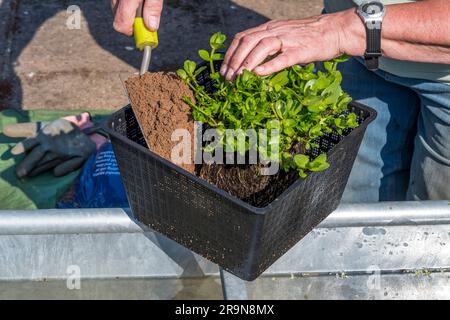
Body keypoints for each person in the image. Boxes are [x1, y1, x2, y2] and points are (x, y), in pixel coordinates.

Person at [112, 0, 450, 202]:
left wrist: (345, 30)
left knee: (429, 232)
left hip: (431, 58)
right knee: (348, 212)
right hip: (357, 46)